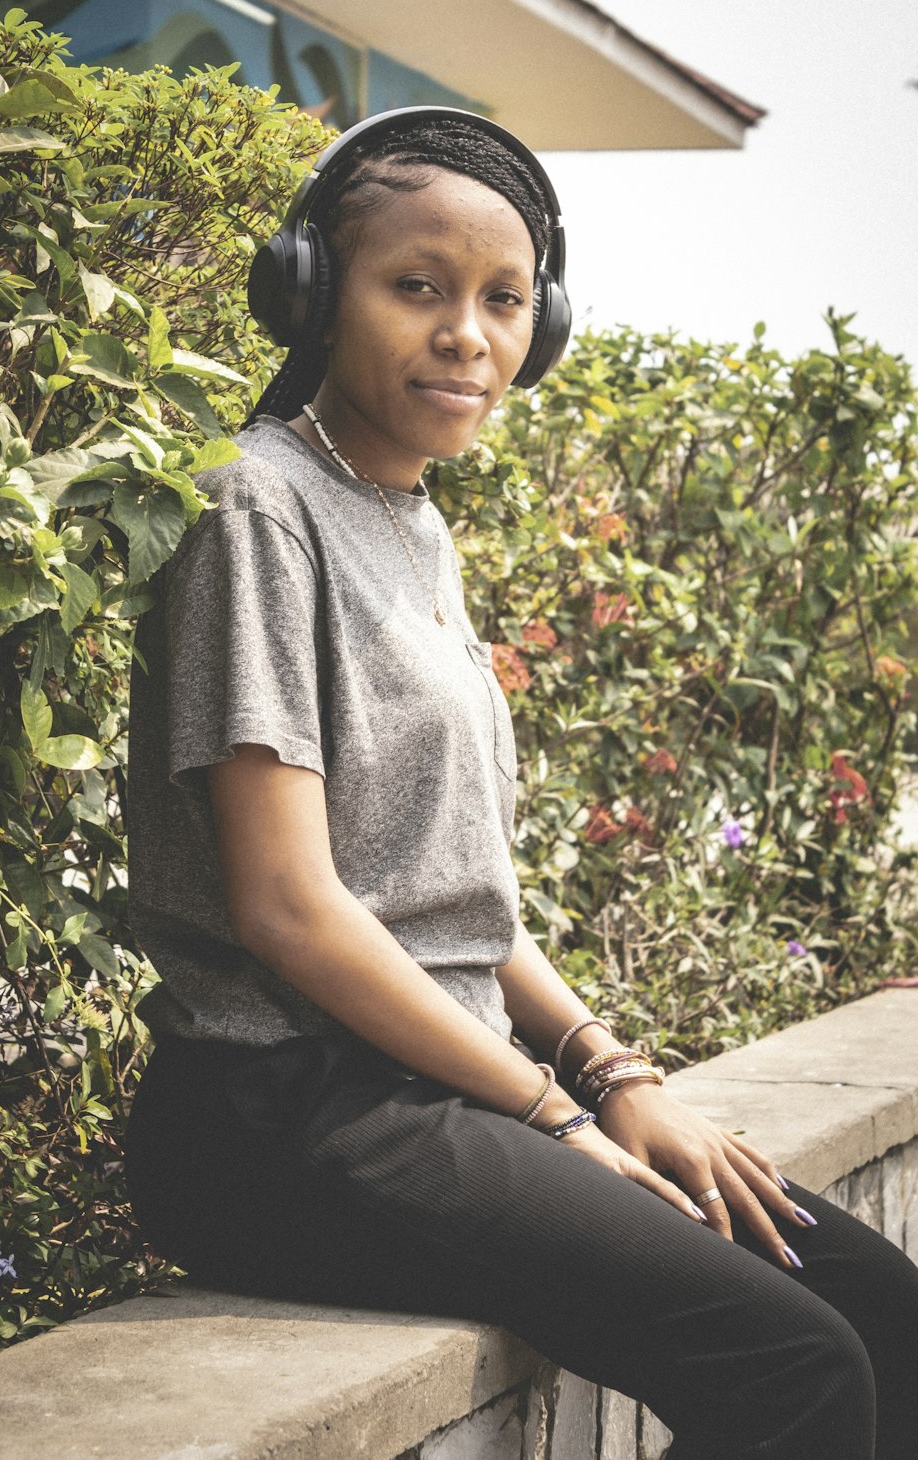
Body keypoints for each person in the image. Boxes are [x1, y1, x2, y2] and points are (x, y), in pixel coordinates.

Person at [125, 108, 918, 1460]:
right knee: (786, 1360)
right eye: (416, 287)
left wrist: (620, 1078)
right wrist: (554, 1116)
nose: (466, 334)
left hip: (436, 1089)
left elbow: (460, 909)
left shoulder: (410, 520)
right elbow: (289, 910)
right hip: (287, 1114)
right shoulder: (255, 508)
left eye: (502, 300)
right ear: (314, 292)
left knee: (883, 1315)